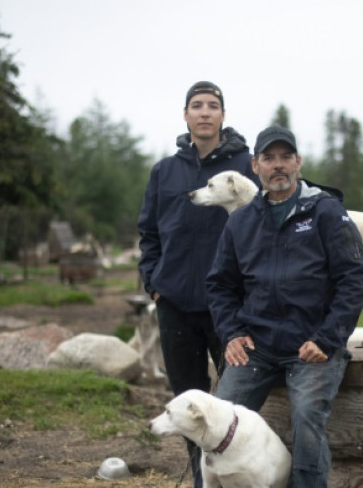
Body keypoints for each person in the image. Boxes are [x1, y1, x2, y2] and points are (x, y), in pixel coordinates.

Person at [206, 125, 363, 487]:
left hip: (312, 344)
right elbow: (219, 284)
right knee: (218, 417)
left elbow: (354, 277)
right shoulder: (241, 222)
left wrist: (327, 339)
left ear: (298, 162)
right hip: (257, 346)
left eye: (285, 157)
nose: (277, 165)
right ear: (255, 166)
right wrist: (232, 333)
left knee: (307, 416)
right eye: (268, 158)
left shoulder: (326, 211)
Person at [137, 81, 258, 488]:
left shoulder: (246, 166)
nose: (204, 112)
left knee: (235, 400)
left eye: (212, 106)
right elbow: (148, 233)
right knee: (188, 401)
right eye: (196, 106)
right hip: (174, 303)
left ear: (223, 116)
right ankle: (201, 481)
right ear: (185, 115)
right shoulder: (165, 172)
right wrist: (153, 283)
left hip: (229, 307)